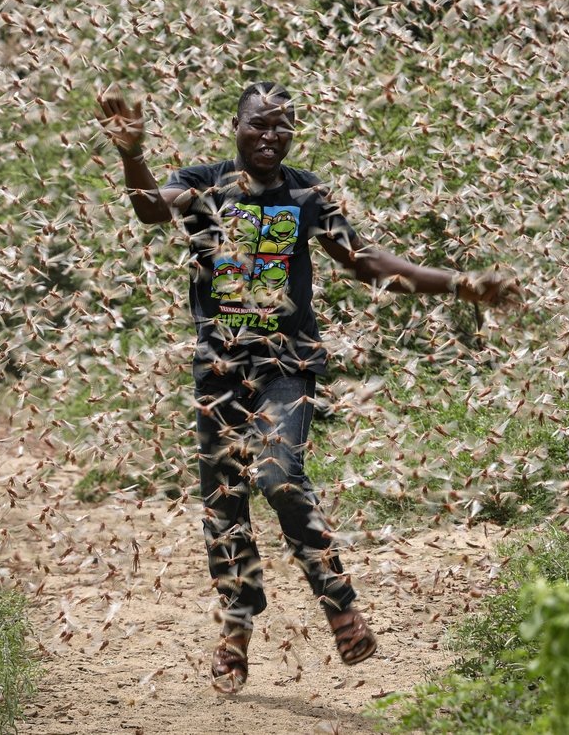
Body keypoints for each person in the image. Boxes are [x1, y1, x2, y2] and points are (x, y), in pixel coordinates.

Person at [95, 82, 517, 695]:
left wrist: (457, 283)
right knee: (224, 499)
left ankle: (339, 604)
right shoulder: (204, 183)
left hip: (285, 364)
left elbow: (366, 263)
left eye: (282, 126)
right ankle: (235, 628)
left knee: (278, 476)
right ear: (235, 126)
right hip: (219, 368)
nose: (269, 136)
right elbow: (149, 208)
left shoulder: (307, 193)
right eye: (258, 125)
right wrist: (132, 153)